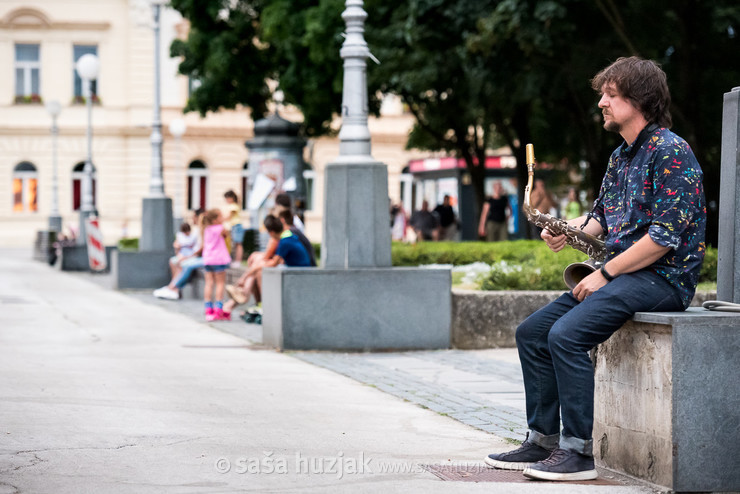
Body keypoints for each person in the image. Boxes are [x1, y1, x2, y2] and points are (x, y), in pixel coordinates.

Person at [484, 56, 706, 481]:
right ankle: (542, 440)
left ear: (638, 100)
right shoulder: (620, 157)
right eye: (602, 94)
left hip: (664, 279)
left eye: (610, 94)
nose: (601, 102)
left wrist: (603, 274)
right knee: (532, 333)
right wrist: (565, 231)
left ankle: (579, 453)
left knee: (565, 335)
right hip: (626, 275)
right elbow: (600, 218)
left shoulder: (672, 152)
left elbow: (663, 239)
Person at [224, 214, 311, 319]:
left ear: (272, 232)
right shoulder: (288, 235)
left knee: (260, 270)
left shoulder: (285, 242)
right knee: (258, 262)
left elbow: (274, 263)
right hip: (294, 268)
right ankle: (245, 295)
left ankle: (251, 298)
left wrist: (245, 276)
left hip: (298, 272)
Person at [153, 209, 205, 300]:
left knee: (183, 264)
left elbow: (200, 247)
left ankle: (173, 288)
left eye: (194, 217)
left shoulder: (202, 230)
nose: (192, 219)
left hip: (197, 257)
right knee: (174, 261)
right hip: (191, 255)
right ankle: (173, 287)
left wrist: (187, 256)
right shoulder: (196, 230)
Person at [200, 208, 232, 321]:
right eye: (221, 216)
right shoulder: (220, 228)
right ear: (215, 220)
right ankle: (219, 309)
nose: (223, 218)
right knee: (220, 284)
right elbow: (227, 235)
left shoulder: (205, 229)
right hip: (218, 259)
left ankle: (208, 309)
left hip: (208, 259)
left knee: (209, 283)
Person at [223, 190, 244, 265]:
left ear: (231, 198)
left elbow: (229, 216)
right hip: (234, 226)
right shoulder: (233, 205)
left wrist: (219, 219)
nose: (226, 200)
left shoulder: (233, 206)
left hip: (236, 226)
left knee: (238, 244)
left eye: (227, 198)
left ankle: (238, 261)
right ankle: (236, 260)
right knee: (235, 244)